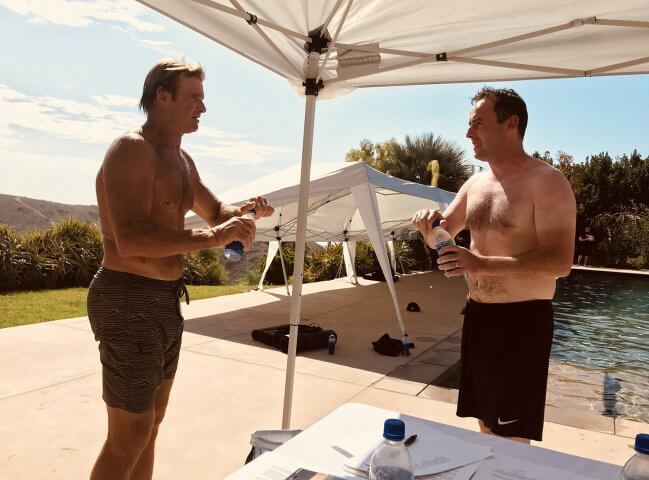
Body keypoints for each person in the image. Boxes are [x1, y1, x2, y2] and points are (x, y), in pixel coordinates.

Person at [87, 59, 274, 480]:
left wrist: (244, 212)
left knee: (151, 424)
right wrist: (213, 238)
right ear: (163, 97)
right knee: (129, 434)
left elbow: (215, 213)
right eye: (194, 98)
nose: (203, 108)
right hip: (127, 296)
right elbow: (130, 240)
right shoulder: (131, 150)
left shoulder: (182, 159)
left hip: (164, 300)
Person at [412, 87, 576, 444]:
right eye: (469, 125)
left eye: (478, 124)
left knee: (512, 435)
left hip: (522, 322)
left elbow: (560, 261)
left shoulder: (546, 182)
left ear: (511, 124)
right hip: (479, 317)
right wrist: (430, 227)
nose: (469, 133)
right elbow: (445, 233)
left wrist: (481, 265)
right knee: (485, 425)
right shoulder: (475, 184)